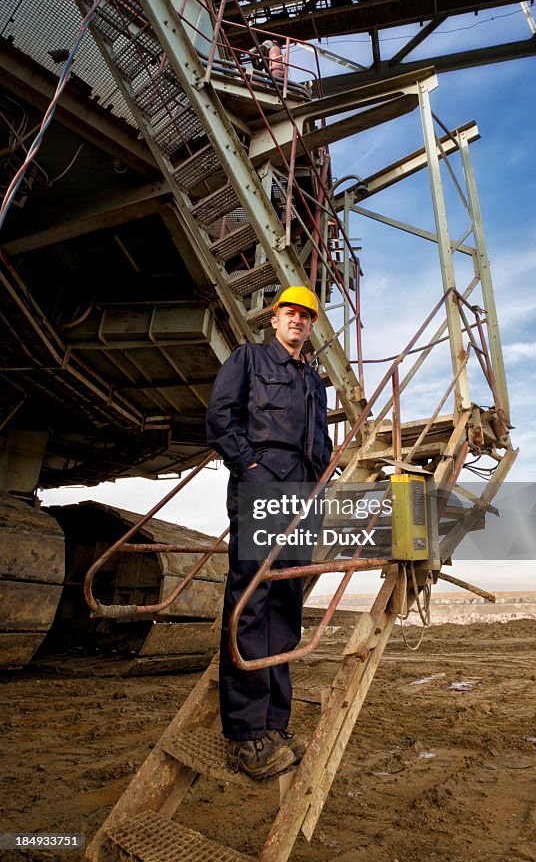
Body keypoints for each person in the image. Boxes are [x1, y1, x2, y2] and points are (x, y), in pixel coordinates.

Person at [206, 285, 332, 778]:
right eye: (289, 313)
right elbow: (221, 419)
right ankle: (244, 735)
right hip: (262, 491)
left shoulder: (315, 382)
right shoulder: (249, 359)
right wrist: (251, 467)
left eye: (305, 315)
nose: (297, 321)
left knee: (284, 608)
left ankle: (274, 724)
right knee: (252, 604)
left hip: (303, 500)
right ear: (274, 319)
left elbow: (319, 441)